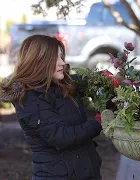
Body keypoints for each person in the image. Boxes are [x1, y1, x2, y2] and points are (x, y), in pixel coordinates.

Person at [0, 35, 103, 180]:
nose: (62, 63)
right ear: (39, 61)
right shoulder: (30, 98)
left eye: (62, 57)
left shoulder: (62, 84)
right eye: (56, 58)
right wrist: (98, 123)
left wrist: (108, 81)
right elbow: (60, 136)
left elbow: (92, 83)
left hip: (85, 171)